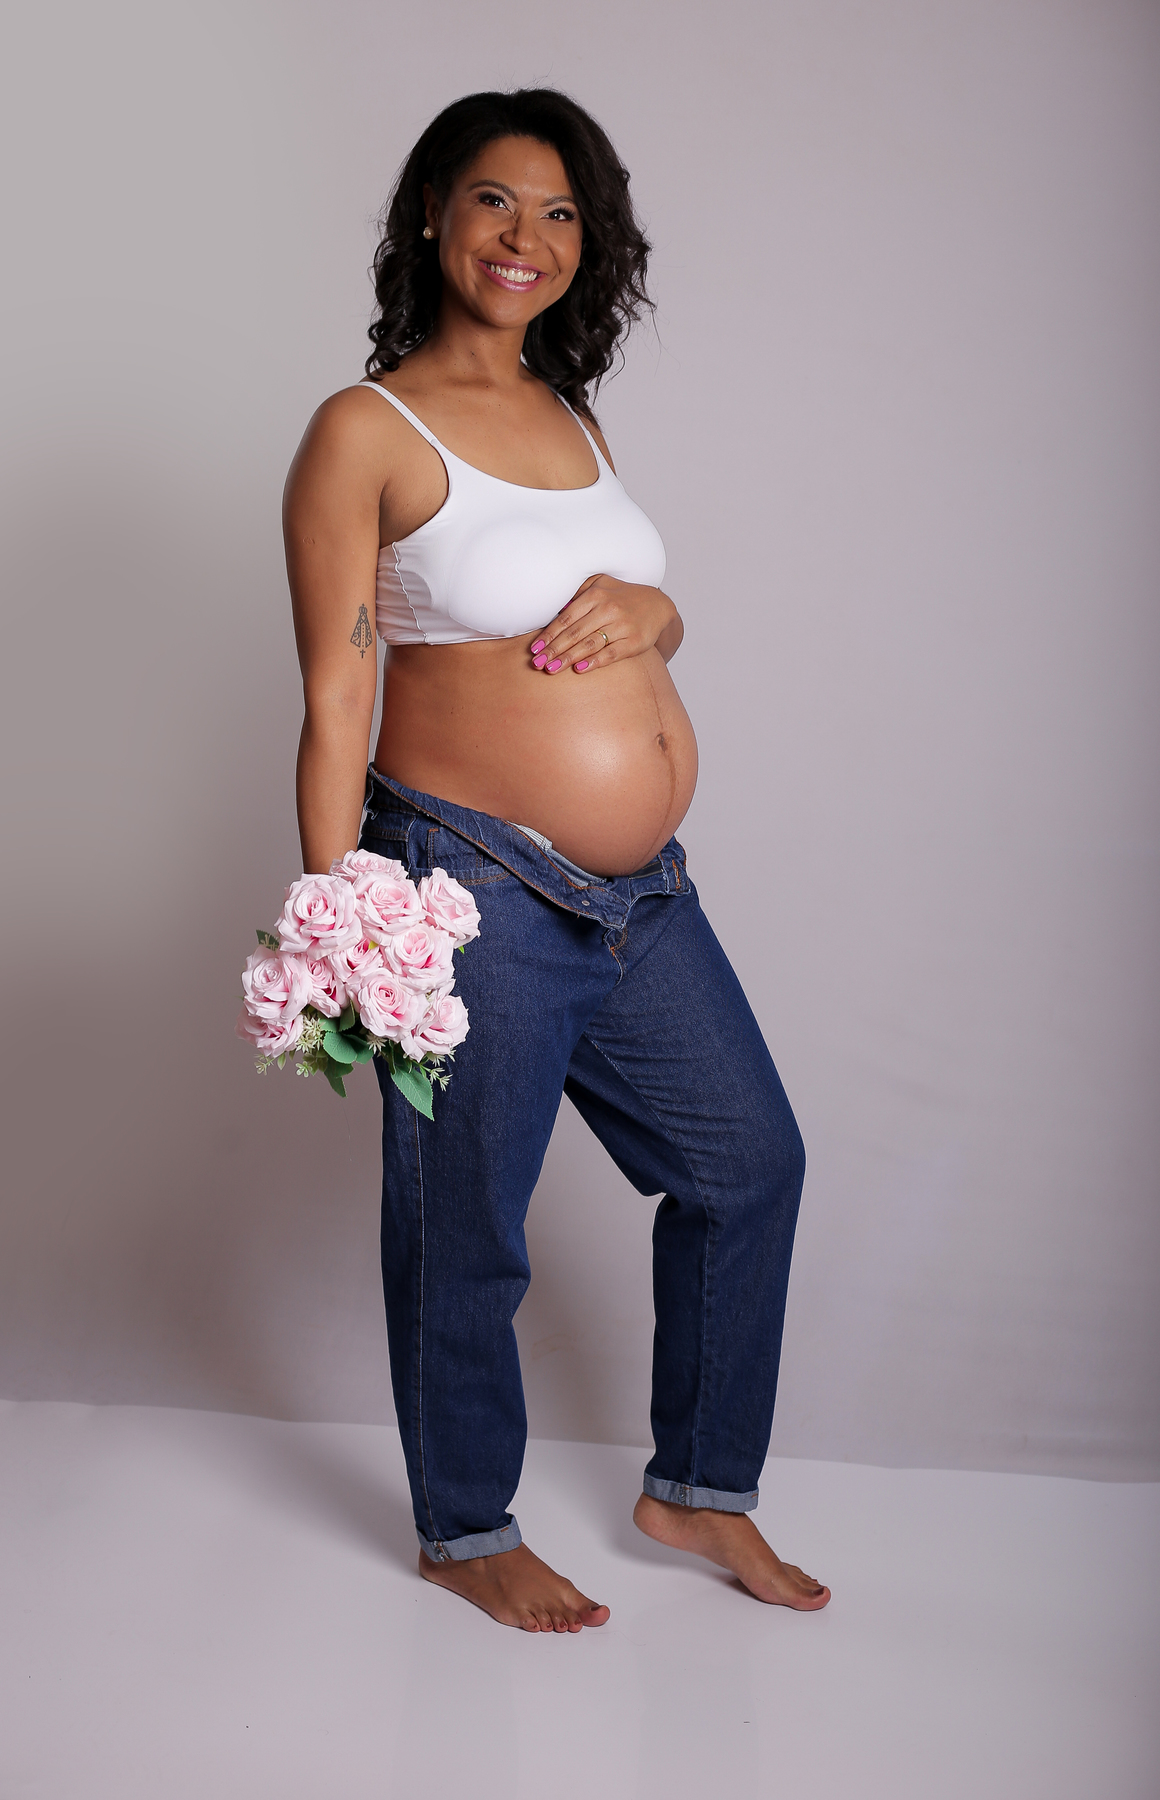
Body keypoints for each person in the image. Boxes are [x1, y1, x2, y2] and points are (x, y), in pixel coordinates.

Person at [283, 88, 829, 1631]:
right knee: (467, 1226)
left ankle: (698, 1489)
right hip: (472, 885)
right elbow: (334, 698)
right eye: (494, 201)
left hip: (642, 899)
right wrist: (345, 927)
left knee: (749, 1168)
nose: (526, 236)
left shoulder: (572, 413)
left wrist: (665, 614)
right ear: (431, 216)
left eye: (561, 211)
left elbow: (625, 614)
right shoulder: (363, 430)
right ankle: (467, 1529)